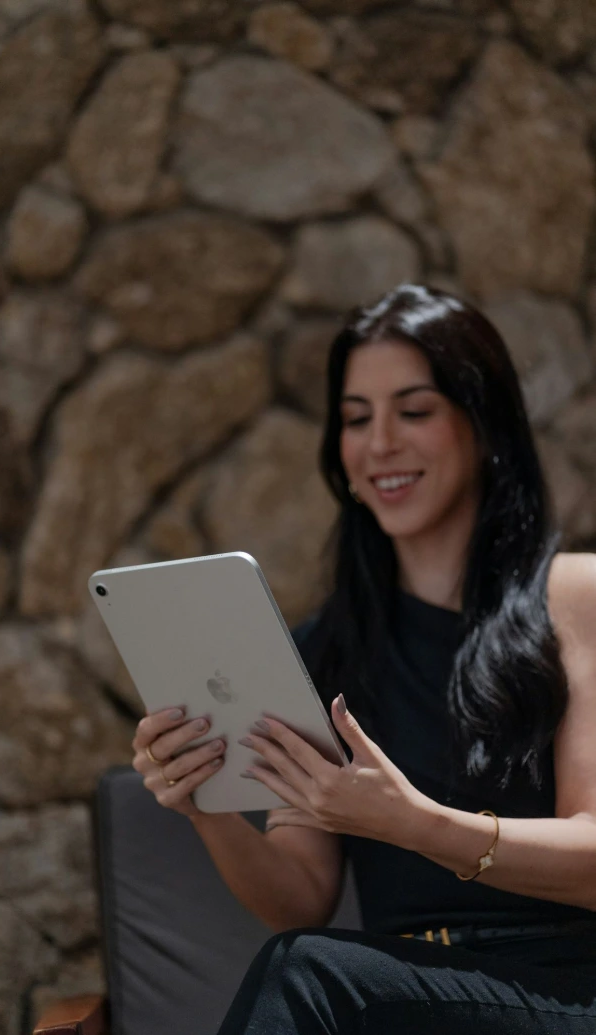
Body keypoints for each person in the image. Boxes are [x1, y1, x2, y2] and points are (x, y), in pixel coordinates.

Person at [131, 284, 596, 1033]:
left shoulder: (577, 596)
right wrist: (202, 806)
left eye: (414, 411)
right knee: (305, 958)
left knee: (308, 972)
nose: (380, 443)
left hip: (568, 987)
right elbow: (301, 896)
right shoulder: (326, 648)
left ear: (483, 426)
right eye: (356, 418)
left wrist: (415, 823)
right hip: (400, 996)